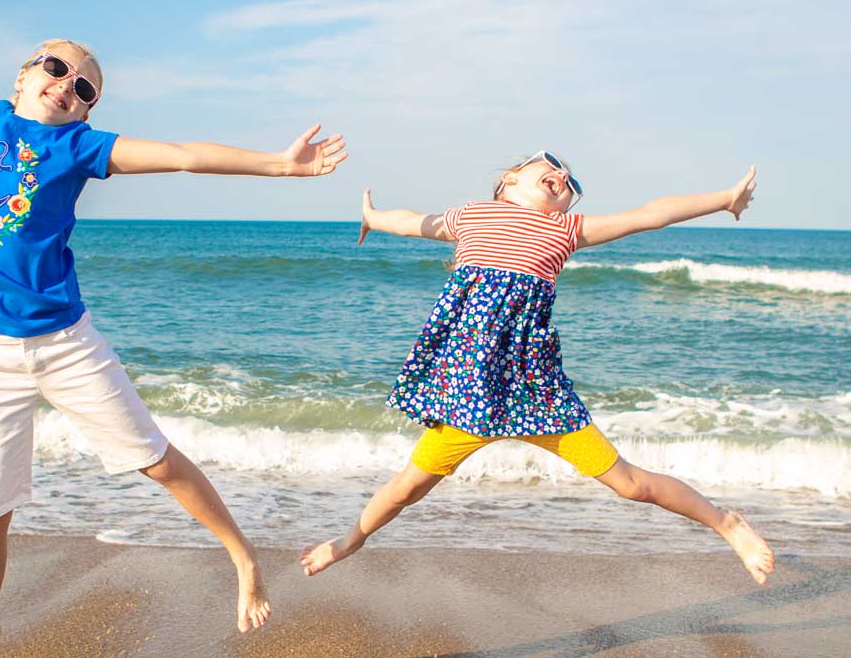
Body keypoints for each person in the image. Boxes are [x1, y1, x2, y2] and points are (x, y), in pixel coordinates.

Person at [0, 39, 347, 658]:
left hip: (63, 342)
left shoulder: (80, 148)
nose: (68, 85)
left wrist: (280, 167)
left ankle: (241, 557)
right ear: (24, 75)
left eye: (86, 88)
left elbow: (181, 156)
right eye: (56, 68)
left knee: (152, 457)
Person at [300, 153, 775, 584]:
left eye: (572, 184)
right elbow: (411, 223)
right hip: (469, 392)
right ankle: (348, 542)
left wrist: (723, 199)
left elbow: (649, 215)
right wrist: (373, 217)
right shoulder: (473, 215)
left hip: (535, 392)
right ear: (509, 179)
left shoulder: (565, 231)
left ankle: (726, 524)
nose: (564, 176)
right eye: (551, 165)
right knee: (405, 489)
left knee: (630, 485)